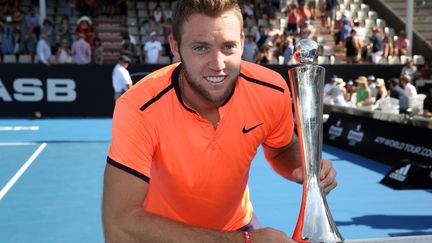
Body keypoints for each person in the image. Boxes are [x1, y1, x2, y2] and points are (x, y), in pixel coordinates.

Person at [102, 1, 338, 242]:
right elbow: (120, 226)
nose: (218, 64)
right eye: (200, 48)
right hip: (165, 236)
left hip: (239, 225)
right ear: (175, 46)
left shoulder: (270, 90)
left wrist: (305, 168)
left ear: (243, 42)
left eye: (228, 47)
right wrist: (245, 241)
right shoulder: (139, 107)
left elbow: (283, 148)